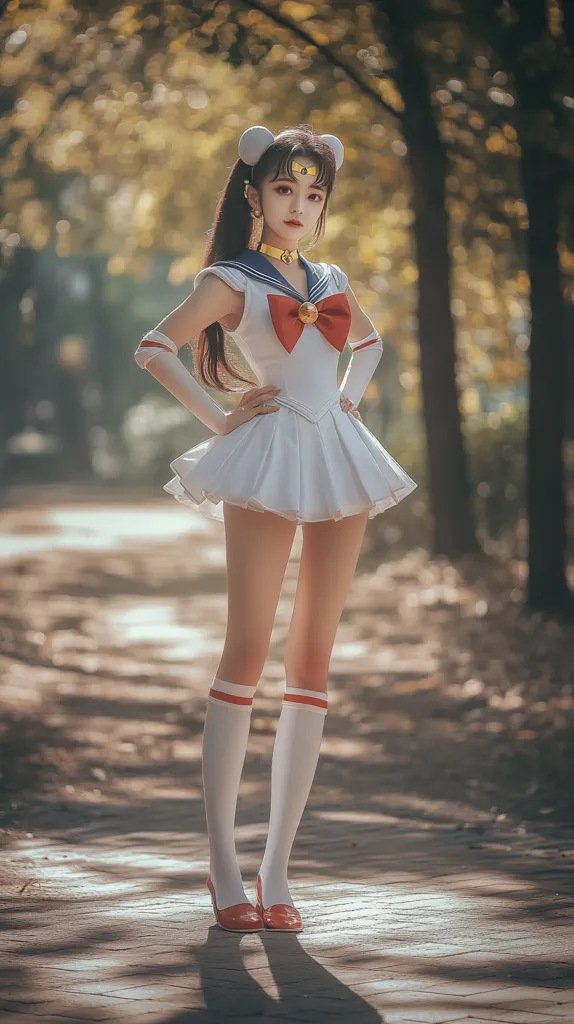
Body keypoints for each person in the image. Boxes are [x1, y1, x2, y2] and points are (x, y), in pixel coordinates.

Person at [134, 123, 416, 933]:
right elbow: (155, 347)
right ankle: (223, 865)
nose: (299, 205)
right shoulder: (232, 278)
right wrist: (221, 417)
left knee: (313, 660)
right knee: (247, 650)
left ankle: (278, 870)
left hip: (341, 456)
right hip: (265, 455)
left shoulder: (329, 277)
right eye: (284, 190)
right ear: (254, 196)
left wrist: (349, 400)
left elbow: (369, 342)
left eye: (313, 194)